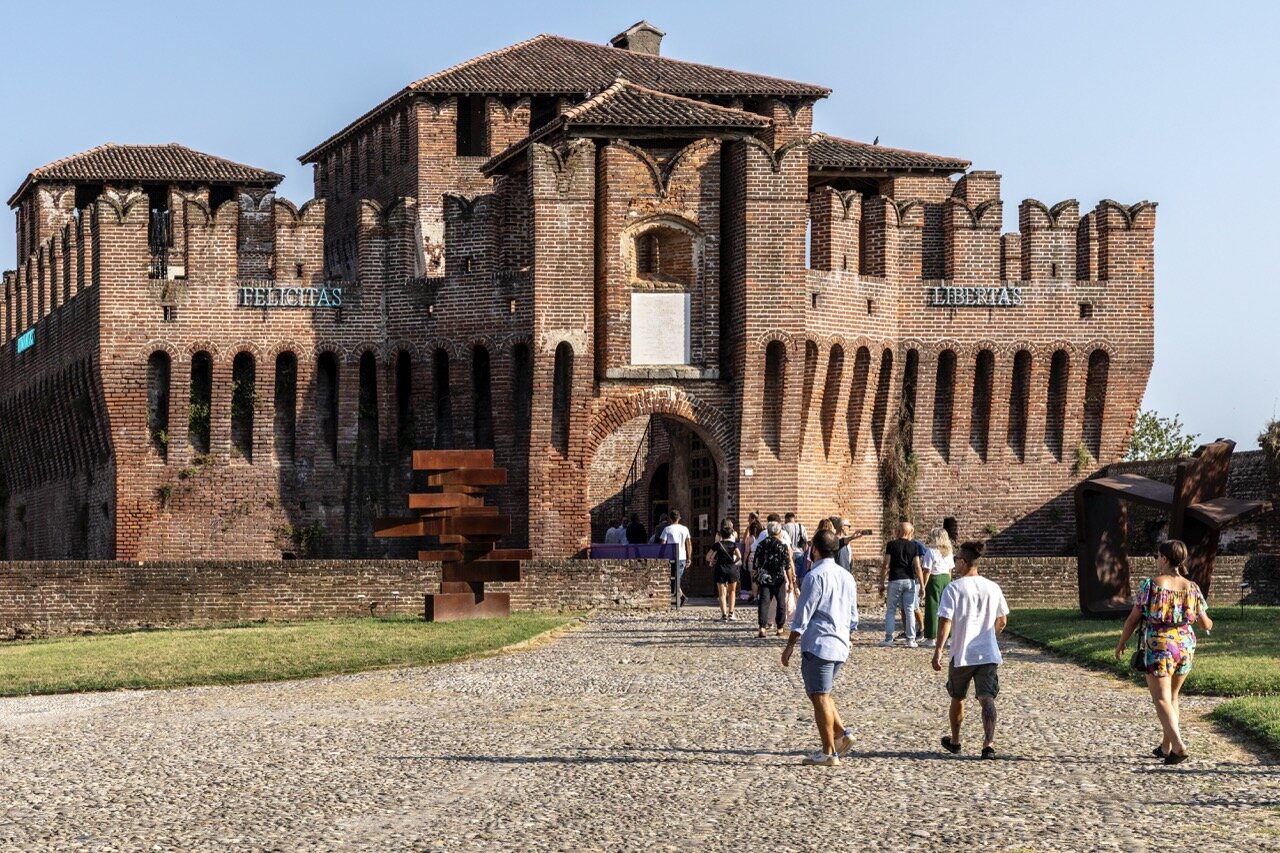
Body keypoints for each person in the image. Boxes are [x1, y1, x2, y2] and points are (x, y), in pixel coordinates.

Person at [1114, 539, 1212, 765]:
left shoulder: (1152, 585)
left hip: (1160, 645)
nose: (1157, 560)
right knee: (1173, 697)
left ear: (1165, 559)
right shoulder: (1192, 587)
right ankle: (1166, 746)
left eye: (1158, 556)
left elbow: (1132, 619)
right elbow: (1205, 623)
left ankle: (1178, 745)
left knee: (1160, 698)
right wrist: (1207, 623)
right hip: (1185, 644)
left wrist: (1121, 643)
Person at [781, 529, 857, 766]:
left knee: (820, 696)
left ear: (814, 549)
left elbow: (803, 615)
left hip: (820, 644)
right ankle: (841, 734)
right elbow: (854, 616)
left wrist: (790, 645)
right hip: (840, 644)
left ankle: (829, 752)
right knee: (818, 692)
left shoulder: (815, 577)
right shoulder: (847, 577)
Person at [932, 541, 1009, 759]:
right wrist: (989, 637)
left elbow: (945, 621)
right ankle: (988, 744)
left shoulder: (954, 588)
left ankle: (955, 741)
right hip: (987, 652)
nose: (954, 562)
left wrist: (938, 650)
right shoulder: (993, 587)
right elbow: (1002, 620)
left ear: (964, 562)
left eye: (956, 559)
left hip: (962, 652)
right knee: (987, 698)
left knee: (958, 697)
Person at [879, 521, 924, 647]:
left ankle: (888, 639)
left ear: (899, 531)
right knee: (909, 609)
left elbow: (886, 565)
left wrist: (881, 582)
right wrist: (922, 586)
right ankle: (911, 639)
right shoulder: (914, 546)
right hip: (909, 580)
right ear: (910, 532)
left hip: (895, 579)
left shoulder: (891, 545)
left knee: (891, 610)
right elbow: (917, 567)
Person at [754, 520, 795, 638]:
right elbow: (787, 566)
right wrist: (791, 581)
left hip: (764, 578)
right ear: (778, 532)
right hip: (778, 578)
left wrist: (755, 579)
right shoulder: (782, 546)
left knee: (764, 602)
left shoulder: (761, 545)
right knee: (781, 602)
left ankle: (762, 628)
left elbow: (756, 564)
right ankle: (780, 628)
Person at [921, 527, 955, 646]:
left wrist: (923, 586)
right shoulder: (949, 552)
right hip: (946, 578)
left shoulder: (931, 552)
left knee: (932, 607)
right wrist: (949, 583)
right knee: (946, 608)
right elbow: (950, 570)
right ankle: (949, 636)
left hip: (934, 578)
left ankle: (931, 637)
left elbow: (927, 570)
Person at [708, 523, 742, 620]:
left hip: (720, 568)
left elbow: (708, 556)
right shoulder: (733, 545)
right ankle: (731, 613)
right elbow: (739, 556)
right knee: (732, 592)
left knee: (722, 593)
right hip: (731, 568)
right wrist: (733, 562)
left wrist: (713, 561)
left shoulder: (717, 545)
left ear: (721, 535)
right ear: (731, 535)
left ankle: (724, 615)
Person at [659, 510, 692, 607]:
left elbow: (663, 544)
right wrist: (689, 557)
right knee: (677, 578)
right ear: (679, 518)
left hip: (670, 556)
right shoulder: (685, 529)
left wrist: (662, 556)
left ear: (670, 518)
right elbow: (688, 543)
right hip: (682, 556)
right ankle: (681, 597)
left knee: (674, 579)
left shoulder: (667, 529)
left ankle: (680, 597)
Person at [783, 512, 809, 579]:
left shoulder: (784, 527)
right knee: (797, 576)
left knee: (788, 575)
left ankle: (791, 587)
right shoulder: (801, 527)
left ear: (787, 519)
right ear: (793, 518)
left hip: (788, 553)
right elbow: (806, 540)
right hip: (799, 553)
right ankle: (797, 588)